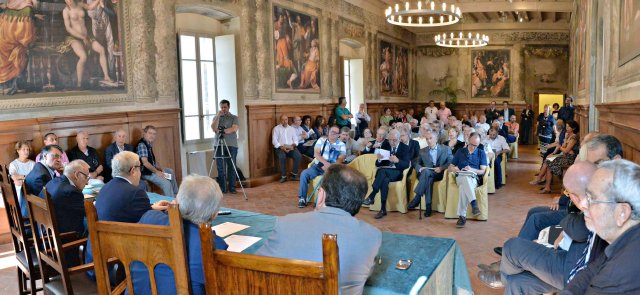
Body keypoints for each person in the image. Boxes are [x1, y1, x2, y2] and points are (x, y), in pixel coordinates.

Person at [258, 164, 382, 295]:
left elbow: (256, 266)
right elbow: (366, 273)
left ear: (321, 195)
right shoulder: (372, 235)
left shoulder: (285, 223)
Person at [480, 161, 597, 293]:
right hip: (572, 260)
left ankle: (505, 273)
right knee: (517, 283)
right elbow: (573, 221)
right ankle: (511, 269)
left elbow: (578, 228)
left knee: (512, 246)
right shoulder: (595, 202)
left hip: (573, 271)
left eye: (568, 193)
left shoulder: (596, 206)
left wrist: (560, 233)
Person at [131, 175, 229, 295]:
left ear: (177, 200)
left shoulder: (149, 218)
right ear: (214, 214)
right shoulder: (212, 245)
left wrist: (171, 210)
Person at [86, 151, 172, 276]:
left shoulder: (106, 188)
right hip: (118, 267)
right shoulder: (136, 193)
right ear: (133, 170)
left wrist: (152, 207)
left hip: (96, 262)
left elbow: (126, 211)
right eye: (140, 168)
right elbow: (150, 221)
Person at [560, 160, 640, 294]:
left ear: (622, 213)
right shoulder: (625, 239)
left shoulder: (615, 276)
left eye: (592, 198)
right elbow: (591, 271)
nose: (584, 204)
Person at [59, 0, 116, 88]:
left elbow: (90, 7)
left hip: (87, 37)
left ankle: (106, 76)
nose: (68, 1)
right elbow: (68, 28)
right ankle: (79, 84)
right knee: (83, 56)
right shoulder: (66, 11)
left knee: (101, 49)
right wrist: (83, 37)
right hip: (74, 38)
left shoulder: (80, 4)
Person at [362, 129, 411, 219]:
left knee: (382, 172)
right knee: (384, 180)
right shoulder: (385, 145)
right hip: (385, 173)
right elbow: (377, 164)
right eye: (390, 140)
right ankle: (383, 209)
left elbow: (407, 164)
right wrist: (379, 159)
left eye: (394, 140)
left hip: (397, 172)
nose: (392, 142)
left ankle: (372, 195)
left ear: (399, 139)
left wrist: (398, 160)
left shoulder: (405, 147)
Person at [297, 126, 346, 208]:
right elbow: (316, 154)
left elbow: (341, 158)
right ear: (328, 132)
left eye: (335, 133)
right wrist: (325, 163)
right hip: (319, 166)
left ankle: (321, 200)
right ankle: (302, 198)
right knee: (304, 174)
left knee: (330, 179)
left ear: (338, 135)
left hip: (333, 168)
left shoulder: (341, 145)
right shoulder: (321, 140)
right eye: (331, 131)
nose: (333, 134)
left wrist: (330, 167)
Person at [408, 131, 452, 216]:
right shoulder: (422, 151)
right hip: (427, 174)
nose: (428, 141)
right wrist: (420, 168)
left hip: (439, 173)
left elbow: (451, 161)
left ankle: (417, 199)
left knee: (426, 174)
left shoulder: (446, 149)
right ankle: (428, 207)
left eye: (430, 138)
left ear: (436, 139)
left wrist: (441, 168)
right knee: (428, 176)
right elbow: (416, 163)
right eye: (427, 139)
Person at [447, 132, 487, 228]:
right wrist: (454, 169)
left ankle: (462, 217)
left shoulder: (481, 153)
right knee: (464, 177)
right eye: (472, 145)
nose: (474, 147)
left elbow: (483, 171)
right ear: (468, 140)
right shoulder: (460, 151)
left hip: (473, 177)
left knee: (462, 188)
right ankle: (474, 204)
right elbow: (450, 168)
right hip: (460, 176)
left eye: (476, 145)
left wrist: (471, 169)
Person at [531, 121, 580, 194]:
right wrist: (565, 140)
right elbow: (564, 148)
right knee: (548, 162)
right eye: (566, 126)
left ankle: (540, 180)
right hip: (565, 156)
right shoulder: (569, 136)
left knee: (548, 162)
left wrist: (560, 147)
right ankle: (546, 186)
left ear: (573, 128)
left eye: (568, 127)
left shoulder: (574, 137)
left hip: (570, 159)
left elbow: (566, 150)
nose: (566, 128)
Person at [137, 125, 179, 196]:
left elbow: (153, 161)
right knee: (166, 183)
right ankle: (171, 203)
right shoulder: (142, 145)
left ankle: (175, 194)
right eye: (150, 133)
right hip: (145, 173)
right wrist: (157, 172)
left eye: (154, 134)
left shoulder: (149, 144)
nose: (152, 136)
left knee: (170, 171)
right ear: (144, 133)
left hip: (151, 170)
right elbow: (145, 163)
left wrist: (161, 169)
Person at [24, 145, 64, 216]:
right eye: (55, 156)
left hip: (38, 213)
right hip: (38, 218)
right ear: (45, 156)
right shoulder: (42, 176)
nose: (59, 160)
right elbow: (52, 201)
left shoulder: (40, 168)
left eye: (60, 157)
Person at [210, 99, 240, 194]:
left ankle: (232, 187)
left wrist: (221, 131)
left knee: (231, 166)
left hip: (231, 144)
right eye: (222, 107)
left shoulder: (234, 117)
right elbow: (214, 128)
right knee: (220, 167)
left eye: (225, 107)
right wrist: (218, 117)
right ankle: (223, 188)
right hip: (218, 144)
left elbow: (233, 129)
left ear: (229, 107)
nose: (223, 109)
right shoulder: (216, 117)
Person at [272, 115, 302, 183]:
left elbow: (296, 140)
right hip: (280, 148)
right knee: (282, 157)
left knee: (298, 156)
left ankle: (293, 175)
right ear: (280, 120)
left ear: (288, 120)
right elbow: (274, 141)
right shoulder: (276, 128)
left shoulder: (292, 129)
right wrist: (282, 148)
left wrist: (293, 145)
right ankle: (284, 176)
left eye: (286, 119)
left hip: (291, 147)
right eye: (283, 120)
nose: (285, 121)